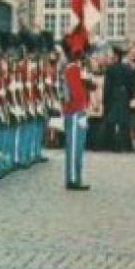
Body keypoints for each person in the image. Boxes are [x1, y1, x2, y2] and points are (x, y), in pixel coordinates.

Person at [60, 34, 90, 191]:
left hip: (78, 111)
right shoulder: (72, 69)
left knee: (77, 146)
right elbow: (74, 94)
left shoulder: (75, 69)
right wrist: (80, 109)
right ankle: (72, 178)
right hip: (74, 112)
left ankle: (75, 177)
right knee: (73, 147)